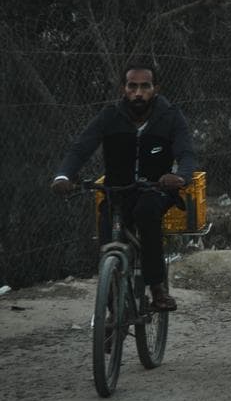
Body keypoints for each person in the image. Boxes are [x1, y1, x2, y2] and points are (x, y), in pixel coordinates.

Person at [51, 62, 197, 311]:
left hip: (155, 190)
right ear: (123, 89)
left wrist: (180, 177)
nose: (138, 93)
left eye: (145, 86)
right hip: (118, 192)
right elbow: (81, 147)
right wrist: (63, 176)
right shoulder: (110, 116)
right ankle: (112, 313)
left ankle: (157, 287)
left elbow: (186, 153)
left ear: (155, 88)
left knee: (146, 212)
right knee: (108, 237)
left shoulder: (171, 116)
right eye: (132, 86)